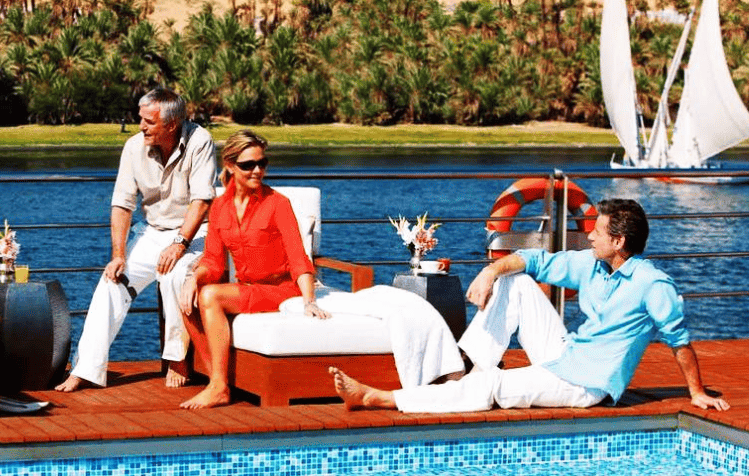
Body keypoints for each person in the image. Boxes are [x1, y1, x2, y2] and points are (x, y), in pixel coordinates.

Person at [331, 198, 730, 414]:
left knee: (494, 387)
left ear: (620, 242)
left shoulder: (651, 284)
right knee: (517, 282)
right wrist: (490, 273)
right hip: (567, 354)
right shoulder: (591, 263)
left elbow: (680, 342)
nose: (589, 236)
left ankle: (380, 398)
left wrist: (695, 391)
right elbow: (534, 261)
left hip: (586, 384)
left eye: (597, 231)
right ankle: (462, 375)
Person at [56, 87, 217, 392]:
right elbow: (122, 203)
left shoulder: (200, 140)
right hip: (153, 230)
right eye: (140, 119)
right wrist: (118, 255)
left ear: (171, 125)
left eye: (148, 121)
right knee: (112, 282)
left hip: (195, 232)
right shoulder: (133, 147)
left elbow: (202, 200)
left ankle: (177, 359)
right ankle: (87, 369)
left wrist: (180, 243)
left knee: (175, 276)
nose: (140, 126)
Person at [179, 130, 331, 409]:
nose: (257, 170)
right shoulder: (220, 208)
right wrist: (193, 278)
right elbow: (213, 261)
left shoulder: (277, 204)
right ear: (229, 166)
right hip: (251, 289)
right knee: (187, 297)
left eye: (262, 163)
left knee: (210, 297)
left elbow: (298, 256)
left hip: (282, 291)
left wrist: (309, 300)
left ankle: (218, 386)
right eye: (248, 165)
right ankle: (219, 380)